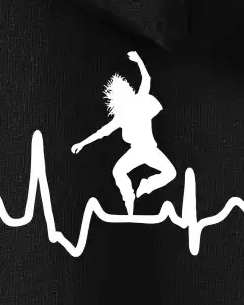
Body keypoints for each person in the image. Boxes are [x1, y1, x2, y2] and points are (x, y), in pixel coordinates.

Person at [71, 50, 177, 212]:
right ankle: (129, 199)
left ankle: (145, 186)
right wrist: (82, 143)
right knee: (118, 171)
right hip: (136, 151)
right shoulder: (121, 116)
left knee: (170, 173)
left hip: (149, 150)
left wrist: (139, 60)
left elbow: (147, 79)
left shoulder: (139, 101)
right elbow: (102, 132)